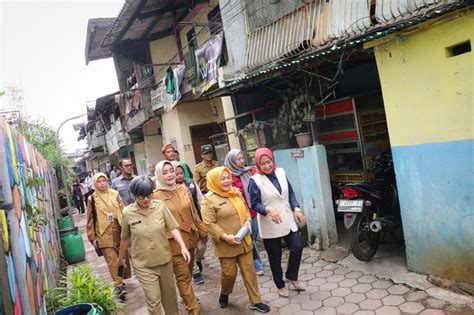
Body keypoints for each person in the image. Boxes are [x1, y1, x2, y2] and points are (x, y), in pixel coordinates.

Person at [118, 176, 190, 315]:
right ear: (134, 195)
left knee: (170, 300)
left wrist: (183, 247)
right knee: (153, 300)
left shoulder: (160, 206)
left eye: (148, 195)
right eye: (141, 196)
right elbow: (124, 238)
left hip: (164, 261)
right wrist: (121, 259)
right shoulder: (128, 213)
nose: (145, 199)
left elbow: (173, 227)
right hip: (143, 264)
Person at [201, 167, 270, 313]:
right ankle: (225, 292)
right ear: (214, 181)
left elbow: (245, 209)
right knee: (229, 274)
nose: (227, 181)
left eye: (228, 177)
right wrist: (226, 237)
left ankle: (255, 301)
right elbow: (209, 224)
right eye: (222, 178)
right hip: (226, 245)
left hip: (243, 240)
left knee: (249, 271)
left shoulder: (236, 192)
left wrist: (248, 222)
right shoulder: (208, 200)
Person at [248, 148, 306, 298]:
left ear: (273, 160)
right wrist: (267, 209)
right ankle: (280, 285)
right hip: (270, 222)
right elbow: (254, 204)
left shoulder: (281, 172)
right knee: (275, 257)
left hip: (287, 218)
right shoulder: (255, 181)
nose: (267, 166)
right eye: (263, 164)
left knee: (297, 246)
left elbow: (290, 193)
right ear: (258, 164)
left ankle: (291, 276)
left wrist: (297, 208)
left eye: (269, 162)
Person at [152, 161, 207, 315]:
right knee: (183, 277)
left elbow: (193, 213)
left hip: (190, 239)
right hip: (173, 245)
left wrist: (202, 232)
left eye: (171, 171)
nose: (170, 175)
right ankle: (193, 309)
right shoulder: (155, 196)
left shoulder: (183, 189)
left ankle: (187, 297)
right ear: (158, 175)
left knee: (188, 274)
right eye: (165, 172)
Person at [86, 172, 131, 300]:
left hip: (118, 230)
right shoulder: (92, 199)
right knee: (112, 260)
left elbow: (123, 210)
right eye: (99, 181)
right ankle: (119, 285)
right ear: (95, 183)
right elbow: (90, 219)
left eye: (103, 181)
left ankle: (120, 279)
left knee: (121, 257)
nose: (102, 183)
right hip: (103, 233)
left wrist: (128, 227)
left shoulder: (115, 194)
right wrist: (92, 237)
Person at [224, 149, 264, 276]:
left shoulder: (249, 171)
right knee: (249, 237)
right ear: (231, 161)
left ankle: (252, 259)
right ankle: (256, 263)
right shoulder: (228, 176)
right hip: (240, 212)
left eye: (242, 158)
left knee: (254, 234)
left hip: (253, 210)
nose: (241, 161)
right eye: (238, 159)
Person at [173, 161, 206, 285]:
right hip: (181, 225)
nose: (179, 176)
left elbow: (199, 199)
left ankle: (198, 260)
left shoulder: (191, 183)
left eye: (181, 173)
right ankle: (196, 272)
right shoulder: (172, 189)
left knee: (201, 246)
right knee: (188, 247)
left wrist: (203, 218)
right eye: (177, 174)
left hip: (196, 220)